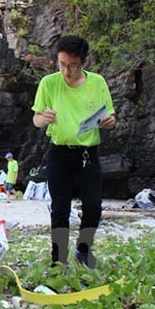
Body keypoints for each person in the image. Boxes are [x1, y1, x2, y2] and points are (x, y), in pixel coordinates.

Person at [32, 35, 116, 269]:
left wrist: (110, 122)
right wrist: (43, 118)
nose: (66, 71)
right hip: (59, 153)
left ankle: (83, 250)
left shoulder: (97, 82)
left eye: (72, 65)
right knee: (60, 208)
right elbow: (36, 119)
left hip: (89, 153)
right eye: (61, 64)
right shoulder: (49, 83)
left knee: (93, 206)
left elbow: (110, 115)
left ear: (83, 63)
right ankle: (58, 260)